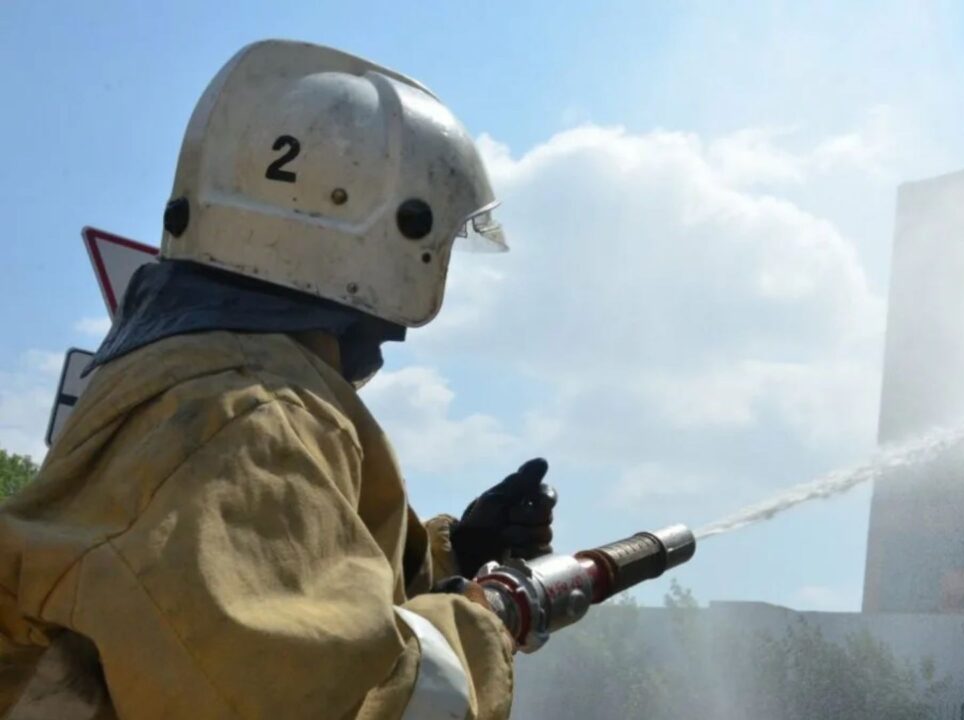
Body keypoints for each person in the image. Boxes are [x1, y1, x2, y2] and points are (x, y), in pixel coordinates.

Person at [0, 39, 555, 720]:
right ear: (383, 235)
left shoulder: (194, 383)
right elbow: (324, 696)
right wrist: (485, 619)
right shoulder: (248, 414)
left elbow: (281, 605)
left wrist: (455, 552)